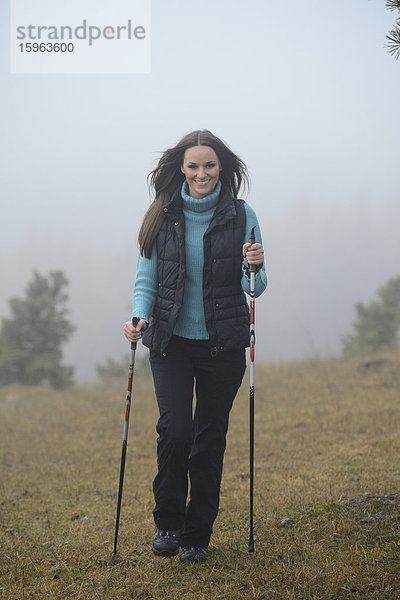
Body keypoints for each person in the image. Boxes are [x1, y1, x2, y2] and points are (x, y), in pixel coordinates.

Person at [123, 129, 267, 564]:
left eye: (209, 165)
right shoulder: (160, 215)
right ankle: (167, 523)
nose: (201, 173)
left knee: (208, 440)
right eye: (193, 165)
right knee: (175, 431)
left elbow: (255, 288)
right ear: (181, 168)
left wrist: (255, 267)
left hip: (223, 346)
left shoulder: (243, 215)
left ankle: (196, 535)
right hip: (169, 343)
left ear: (221, 167)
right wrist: (139, 317)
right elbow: (146, 279)